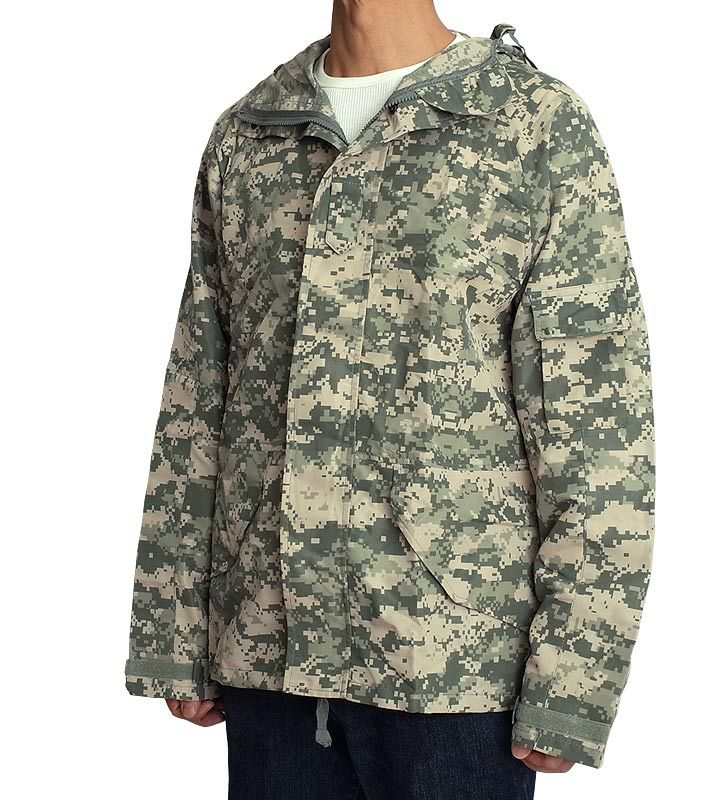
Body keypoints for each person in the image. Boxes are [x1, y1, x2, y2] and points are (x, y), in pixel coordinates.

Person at [124, 1, 655, 797]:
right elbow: (201, 391)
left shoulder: (529, 124)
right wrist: (174, 629)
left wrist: (574, 678)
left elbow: (597, 418)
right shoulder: (251, 133)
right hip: (269, 654)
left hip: (453, 670)